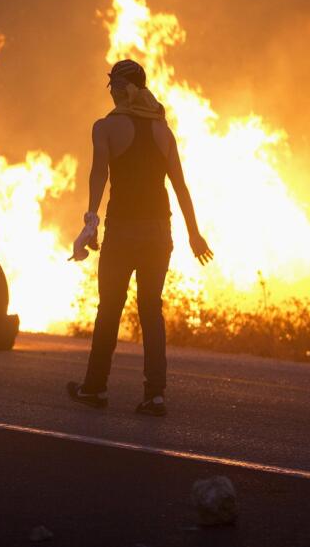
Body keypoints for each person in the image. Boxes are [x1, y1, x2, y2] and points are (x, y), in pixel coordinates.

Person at [67, 58, 213, 416]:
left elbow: (98, 175)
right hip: (159, 233)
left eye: (115, 87)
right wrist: (194, 234)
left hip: (123, 232)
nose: (113, 94)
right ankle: (155, 395)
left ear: (123, 89)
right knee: (151, 311)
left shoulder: (105, 128)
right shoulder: (163, 132)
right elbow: (180, 188)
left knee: (109, 310)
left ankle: (95, 388)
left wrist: (90, 223)